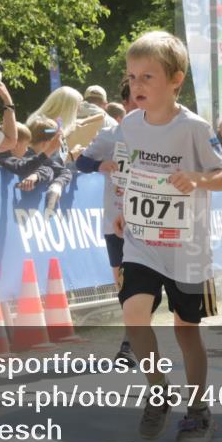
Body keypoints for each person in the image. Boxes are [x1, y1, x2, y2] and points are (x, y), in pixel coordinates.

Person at [115, 31, 222, 442]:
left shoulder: (194, 128)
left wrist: (198, 178)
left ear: (175, 80)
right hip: (143, 243)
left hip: (188, 248)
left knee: (186, 330)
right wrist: (122, 210)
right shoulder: (129, 125)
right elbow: (128, 172)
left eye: (147, 77)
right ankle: (158, 390)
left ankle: (198, 409)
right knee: (134, 314)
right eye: (132, 77)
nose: (137, 85)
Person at [76, 76, 140, 365]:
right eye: (136, 100)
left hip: (150, 224)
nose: (142, 105)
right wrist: (100, 164)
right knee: (125, 287)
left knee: (144, 287)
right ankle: (132, 341)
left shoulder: (163, 134)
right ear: (125, 103)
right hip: (115, 221)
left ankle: (131, 342)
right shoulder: (111, 134)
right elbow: (80, 161)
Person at [21, 115, 72, 218]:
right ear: (46, 144)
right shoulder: (24, 156)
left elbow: (64, 171)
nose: (59, 145)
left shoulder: (44, 157)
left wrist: (57, 185)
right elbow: (45, 169)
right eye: (56, 142)